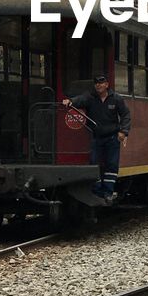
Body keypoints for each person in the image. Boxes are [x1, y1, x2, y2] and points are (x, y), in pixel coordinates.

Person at [62, 73, 131, 202]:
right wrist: (70, 101)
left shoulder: (116, 99)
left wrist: (124, 131)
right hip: (97, 136)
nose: (98, 85)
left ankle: (108, 192)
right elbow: (80, 100)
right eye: (96, 83)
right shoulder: (90, 97)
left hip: (112, 137)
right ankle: (98, 190)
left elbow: (126, 115)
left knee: (111, 164)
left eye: (101, 83)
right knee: (94, 162)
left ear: (106, 85)